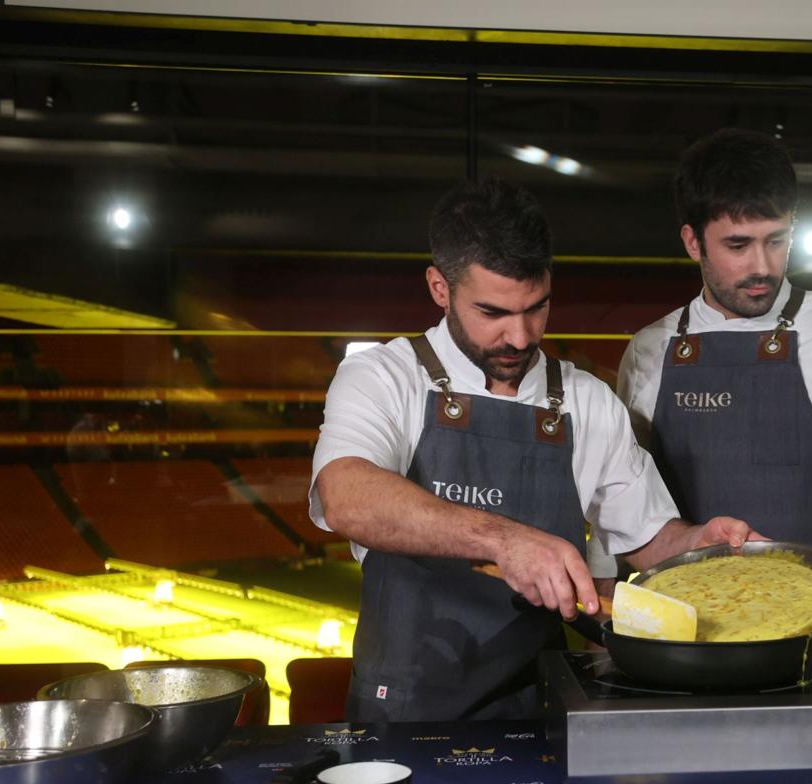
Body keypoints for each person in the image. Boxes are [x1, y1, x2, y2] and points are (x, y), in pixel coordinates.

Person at [309, 177, 759, 723]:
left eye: (537, 309)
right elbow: (346, 497)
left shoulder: (586, 400)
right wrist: (505, 541)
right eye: (494, 313)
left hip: (540, 701)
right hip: (406, 705)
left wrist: (699, 542)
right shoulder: (383, 376)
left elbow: (647, 535)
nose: (521, 338)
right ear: (439, 287)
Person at [590, 128, 812, 711]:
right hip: (690, 653)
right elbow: (617, 502)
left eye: (776, 241)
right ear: (693, 242)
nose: (761, 266)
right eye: (738, 245)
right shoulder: (651, 350)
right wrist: (610, 623)